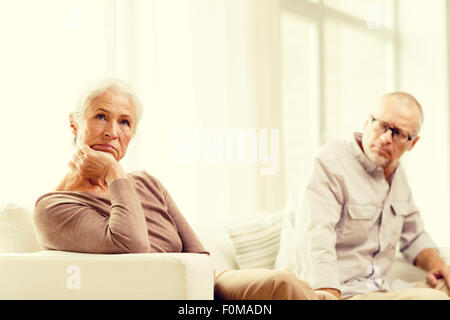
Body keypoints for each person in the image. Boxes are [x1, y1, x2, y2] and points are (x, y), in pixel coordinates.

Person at [33, 78, 318, 300]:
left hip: (204, 287)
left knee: (293, 283)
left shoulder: (145, 183)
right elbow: (132, 246)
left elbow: (199, 256)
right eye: (100, 117)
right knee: (287, 285)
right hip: (162, 295)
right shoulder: (52, 207)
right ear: (74, 123)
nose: (112, 132)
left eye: (124, 122)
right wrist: (113, 172)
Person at [276, 92, 450, 300]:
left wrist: (439, 266)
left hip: (377, 290)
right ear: (367, 122)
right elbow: (315, 240)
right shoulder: (328, 164)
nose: (386, 139)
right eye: (381, 125)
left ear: (412, 143)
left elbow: (414, 235)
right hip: (335, 292)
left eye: (398, 133)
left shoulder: (397, 173)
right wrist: (328, 294)